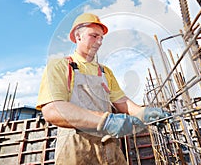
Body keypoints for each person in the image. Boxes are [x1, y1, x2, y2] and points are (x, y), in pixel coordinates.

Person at [36, 13, 169, 164]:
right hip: (76, 151)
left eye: (101, 38)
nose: (99, 42)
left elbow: (122, 102)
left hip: (110, 151)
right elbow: (53, 110)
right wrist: (106, 121)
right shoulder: (60, 66)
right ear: (78, 36)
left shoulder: (105, 72)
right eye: (93, 36)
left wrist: (143, 112)